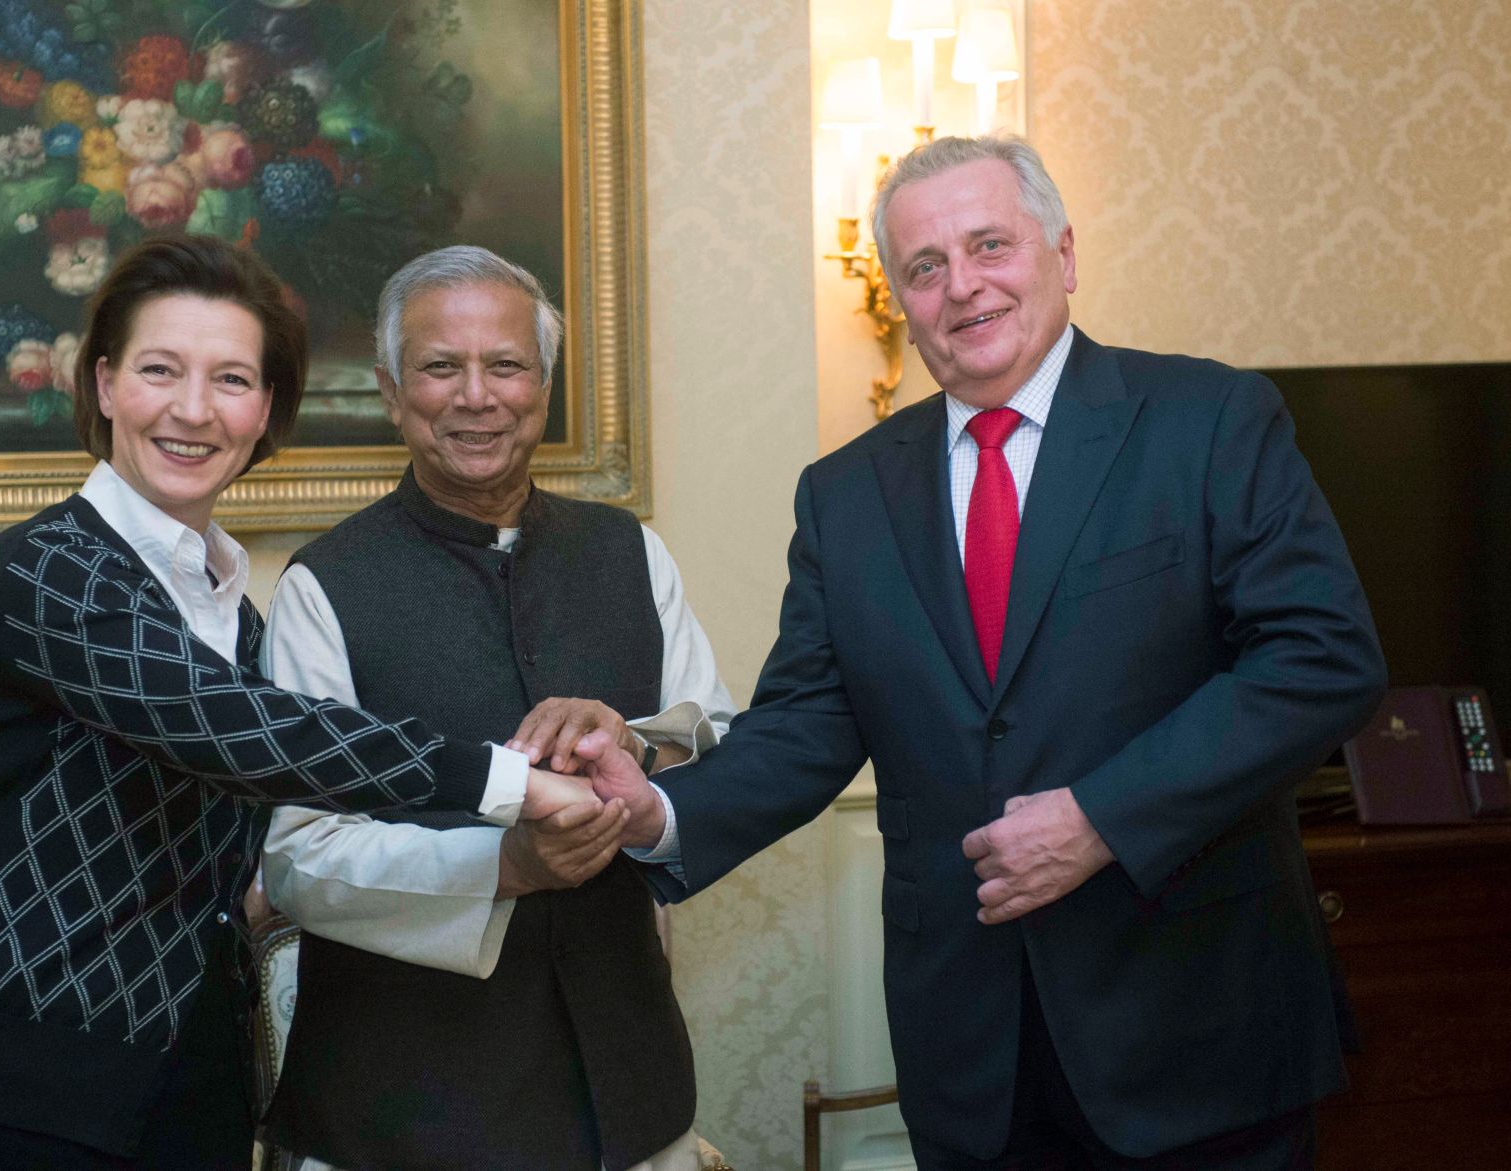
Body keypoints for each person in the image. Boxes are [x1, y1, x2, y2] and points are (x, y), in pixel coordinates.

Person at [573, 136, 1388, 1169]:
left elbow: (1321, 659)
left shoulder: (1206, 420)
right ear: (901, 301)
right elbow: (809, 723)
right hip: (972, 1058)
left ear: (1062, 253)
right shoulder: (845, 492)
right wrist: (659, 810)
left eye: (988, 245)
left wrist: (1100, 815)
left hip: (1194, 1031)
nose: (961, 286)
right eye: (923, 266)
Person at [0, 236, 595, 1171]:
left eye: (232, 380)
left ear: (267, 412)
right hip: (11, 1087)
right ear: (102, 385)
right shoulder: (44, 570)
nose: (193, 410)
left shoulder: (231, 611)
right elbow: (237, 733)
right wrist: (513, 782)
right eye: (159, 371)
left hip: (187, 1081)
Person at [258, 244, 734, 1171]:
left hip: (628, 1102)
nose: (477, 395)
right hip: (401, 1111)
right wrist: (504, 863)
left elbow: (710, 739)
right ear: (394, 393)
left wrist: (635, 752)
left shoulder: (631, 553)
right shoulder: (324, 585)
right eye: (442, 367)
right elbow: (297, 860)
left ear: (543, 386)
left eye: (506, 365)